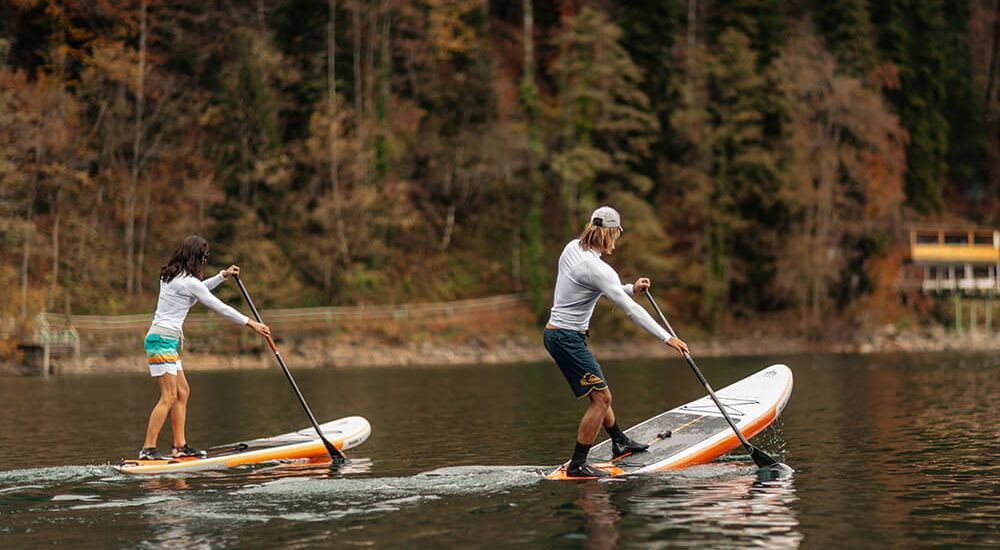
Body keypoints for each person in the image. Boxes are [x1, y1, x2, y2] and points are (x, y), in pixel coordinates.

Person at [543, 206, 689, 478]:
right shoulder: (599, 269)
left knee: (600, 393)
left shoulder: (573, 248)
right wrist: (667, 337)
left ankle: (619, 441)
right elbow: (631, 310)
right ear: (611, 233)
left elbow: (605, 289)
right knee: (602, 399)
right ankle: (577, 464)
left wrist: (631, 289)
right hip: (566, 339)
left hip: (558, 335)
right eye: (617, 235)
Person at [139, 235, 270, 460]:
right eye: (204, 257)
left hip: (166, 340)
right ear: (196, 257)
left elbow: (199, 290)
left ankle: (179, 447)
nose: (205, 261)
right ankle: (147, 450)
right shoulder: (187, 282)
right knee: (169, 395)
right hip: (161, 340)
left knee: (182, 391)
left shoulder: (172, 276)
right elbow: (217, 305)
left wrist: (222, 276)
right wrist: (250, 323)